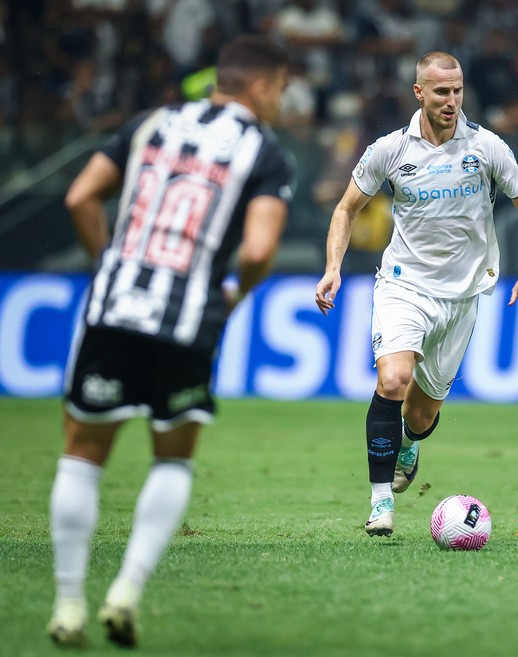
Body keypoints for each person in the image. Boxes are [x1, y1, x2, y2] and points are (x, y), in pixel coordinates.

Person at [47, 35, 291, 647]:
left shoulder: (149, 123)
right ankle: (126, 591)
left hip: (114, 307)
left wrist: (109, 265)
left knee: (83, 453)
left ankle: (69, 603)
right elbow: (259, 249)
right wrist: (233, 292)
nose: (283, 103)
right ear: (260, 87)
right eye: (282, 90)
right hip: (187, 320)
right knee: (173, 456)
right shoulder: (263, 150)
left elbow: (80, 195)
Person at [314, 51, 518, 537]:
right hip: (405, 285)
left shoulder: (486, 147)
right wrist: (333, 266)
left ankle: (411, 443)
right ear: (419, 92)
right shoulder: (390, 150)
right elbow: (346, 208)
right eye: (441, 91)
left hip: (463, 297)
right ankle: (381, 502)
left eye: (458, 90)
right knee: (394, 380)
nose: (452, 100)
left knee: (419, 418)